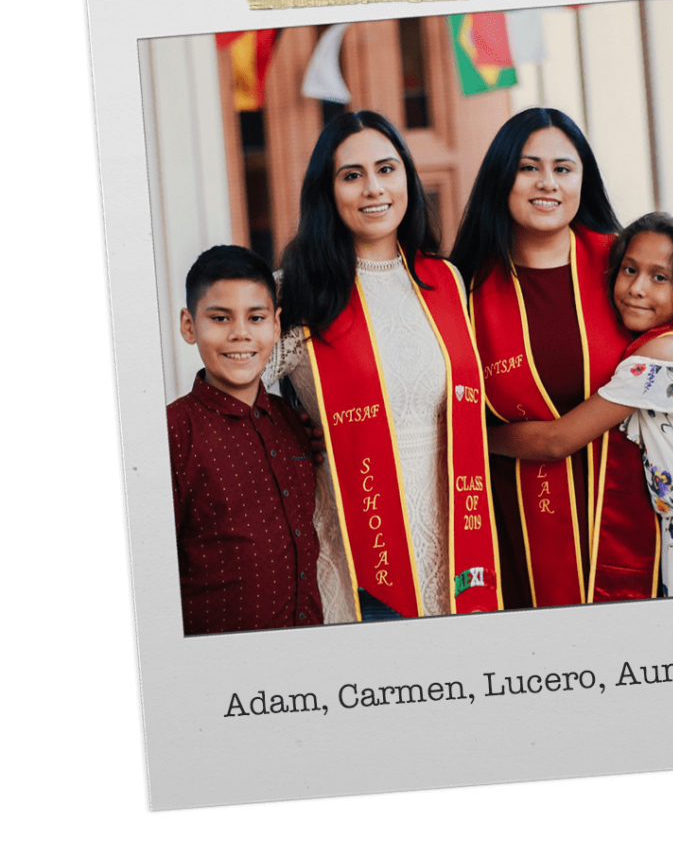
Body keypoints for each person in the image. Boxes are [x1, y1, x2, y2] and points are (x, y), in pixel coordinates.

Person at [452, 107, 673, 608]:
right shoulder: (462, 287)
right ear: (501, 177)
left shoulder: (628, 266)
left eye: (563, 168)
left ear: (582, 179)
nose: (546, 183)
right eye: (528, 167)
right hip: (520, 526)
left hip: (660, 534)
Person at [264, 110, 502, 623]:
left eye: (387, 169)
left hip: (457, 543)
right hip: (359, 554)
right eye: (352, 176)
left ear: (407, 180)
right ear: (327, 192)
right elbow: (237, 392)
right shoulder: (295, 292)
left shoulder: (445, 281)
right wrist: (287, 427)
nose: (373, 188)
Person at [488, 213, 673, 596]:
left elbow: (556, 441)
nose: (636, 288)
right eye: (629, 270)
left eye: (659, 277)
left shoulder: (661, 355)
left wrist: (472, 440)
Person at [168, 245, 323, 635]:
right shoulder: (171, 433)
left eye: (255, 317)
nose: (240, 333)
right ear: (189, 325)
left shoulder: (291, 421)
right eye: (220, 318)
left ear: (275, 325)